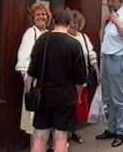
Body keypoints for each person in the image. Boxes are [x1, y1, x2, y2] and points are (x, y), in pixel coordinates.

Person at [25, 8, 87, 152]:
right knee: (61, 137)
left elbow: (31, 73)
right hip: (65, 98)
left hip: (43, 96)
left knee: (40, 136)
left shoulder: (42, 40)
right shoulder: (75, 44)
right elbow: (80, 80)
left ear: (53, 21)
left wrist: (27, 93)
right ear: (69, 23)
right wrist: (77, 97)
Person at [96, 0, 123, 147]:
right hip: (106, 57)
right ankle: (111, 128)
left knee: (118, 98)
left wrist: (116, 21)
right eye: (108, 0)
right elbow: (102, 37)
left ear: (121, 1)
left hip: (118, 58)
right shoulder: (109, 17)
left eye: (112, 0)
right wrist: (105, 22)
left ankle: (121, 132)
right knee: (108, 97)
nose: (109, 3)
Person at [15, 2, 52, 138]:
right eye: (38, 14)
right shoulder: (30, 33)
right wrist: (29, 84)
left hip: (49, 85)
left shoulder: (50, 34)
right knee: (35, 124)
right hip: (35, 85)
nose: (41, 17)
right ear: (33, 17)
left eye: (43, 14)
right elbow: (23, 60)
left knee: (46, 124)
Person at [67, 9, 100, 144]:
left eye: (76, 23)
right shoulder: (64, 37)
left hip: (82, 81)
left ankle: (73, 131)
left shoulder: (84, 37)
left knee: (78, 109)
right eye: (71, 22)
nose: (74, 25)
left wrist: (98, 74)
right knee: (67, 108)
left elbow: (92, 56)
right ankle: (65, 134)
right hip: (67, 81)